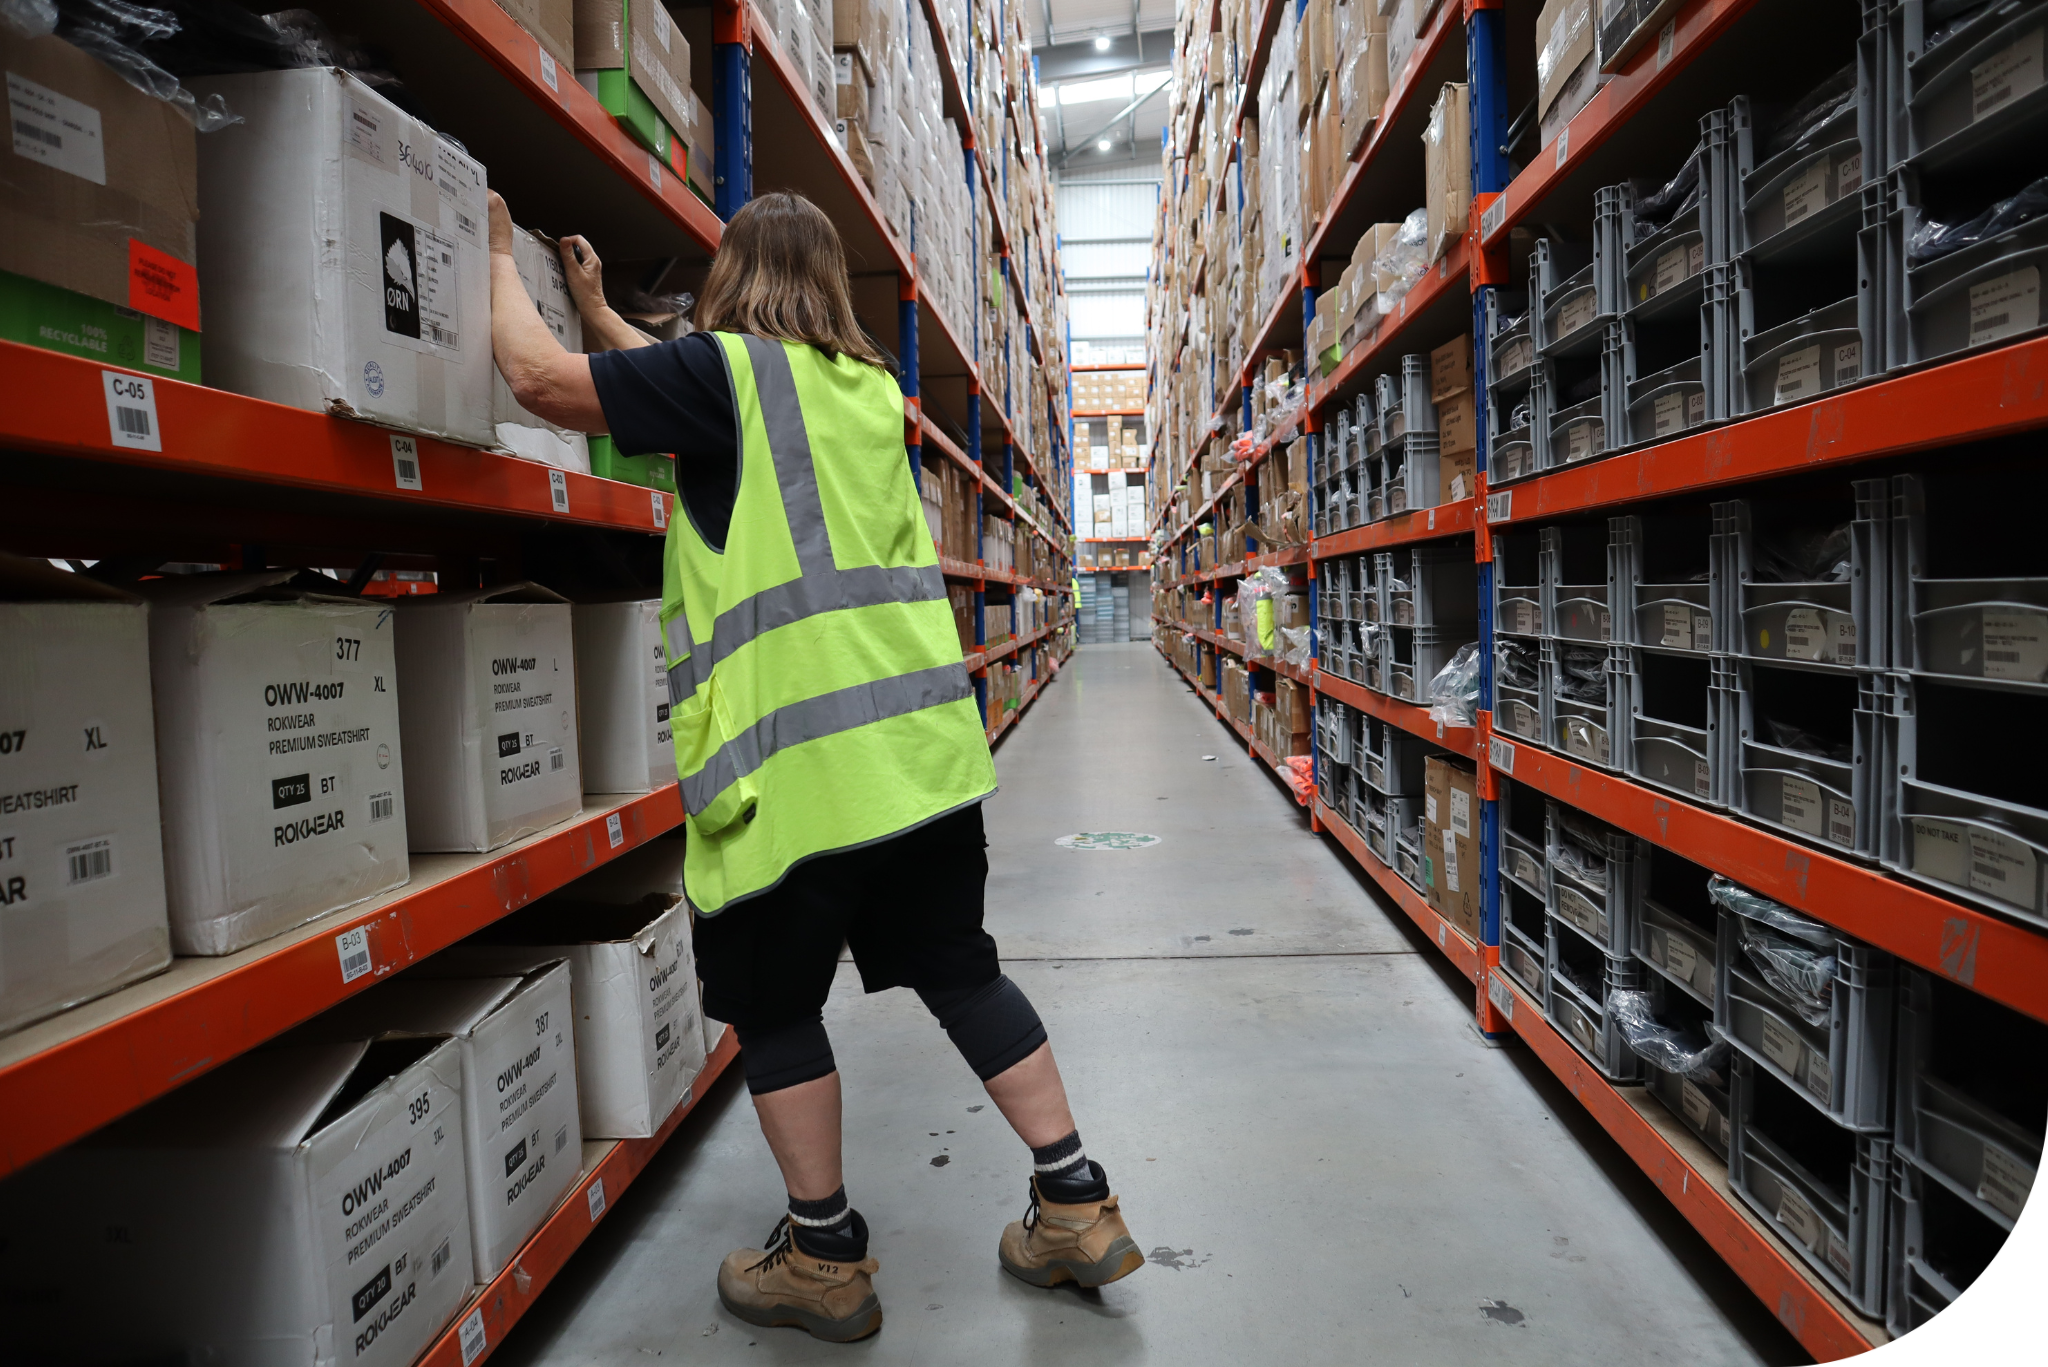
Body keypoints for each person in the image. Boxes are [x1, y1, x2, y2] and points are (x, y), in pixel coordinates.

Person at [485, 189, 1140, 1342]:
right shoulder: (864, 391)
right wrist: (595, 309)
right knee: (962, 971)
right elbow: (672, 387)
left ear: (729, 280)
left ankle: (823, 1258)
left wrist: (495, 253)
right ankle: (1075, 1203)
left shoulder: (725, 374)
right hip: (919, 768)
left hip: (791, 785)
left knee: (775, 1006)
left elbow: (541, 385)